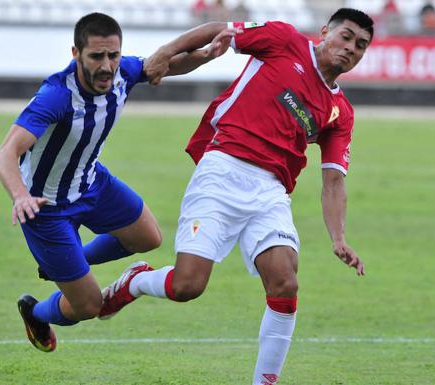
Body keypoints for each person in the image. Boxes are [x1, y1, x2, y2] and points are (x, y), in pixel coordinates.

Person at [99, 8, 373, 385]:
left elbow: (334, 182)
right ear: (326, 31)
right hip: (224, 168)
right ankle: (135, 282)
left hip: (270, 192)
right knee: (187, 287)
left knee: (285, 283)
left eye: (360, 45)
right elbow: (218, 30)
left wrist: (339, 238)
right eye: (346, 36)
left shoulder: (340, 112)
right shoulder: (285, 40)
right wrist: (166, 52)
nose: (350, 48)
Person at [0, 12, 237, 352]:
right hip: (46, 207)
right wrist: (20, 197)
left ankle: (70, 261)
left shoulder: (122, 73)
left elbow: (166, 64)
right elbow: (6, 152)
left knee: (148, 237)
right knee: (89, 307)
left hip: (92, 183)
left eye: (113, 55)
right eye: (96, 56)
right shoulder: (57, 96)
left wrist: (208, 53)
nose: (107, 66)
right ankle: (35, 311)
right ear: (76, 54)